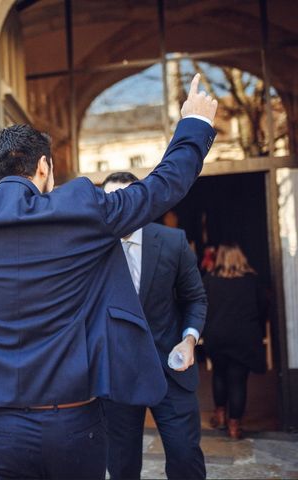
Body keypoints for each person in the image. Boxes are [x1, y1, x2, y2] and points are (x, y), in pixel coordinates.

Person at [0, 62, 217, 479]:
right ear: (44, 168)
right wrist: (193, 122)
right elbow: (163, 185)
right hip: (74, 424)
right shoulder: (87, 211)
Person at [102, 172, 207, 480]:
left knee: (185, 458)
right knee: (121, 467)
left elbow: (196, 299)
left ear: (141, 201)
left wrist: (189, 340)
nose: (119, 206)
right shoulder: (93, 250)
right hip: (117, 377)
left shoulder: (173, 241)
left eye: (126, 198)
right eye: (111, 200)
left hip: (170, 373)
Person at [202, 243, 267, 440]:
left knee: (219, 375)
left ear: (220, 258)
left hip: (217, 336)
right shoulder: (252, 281)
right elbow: (263, 308)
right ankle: (234, 426)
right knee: (238, 380)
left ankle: (220, 415)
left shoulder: (209, 281)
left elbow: (202, 308)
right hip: (244, 337)